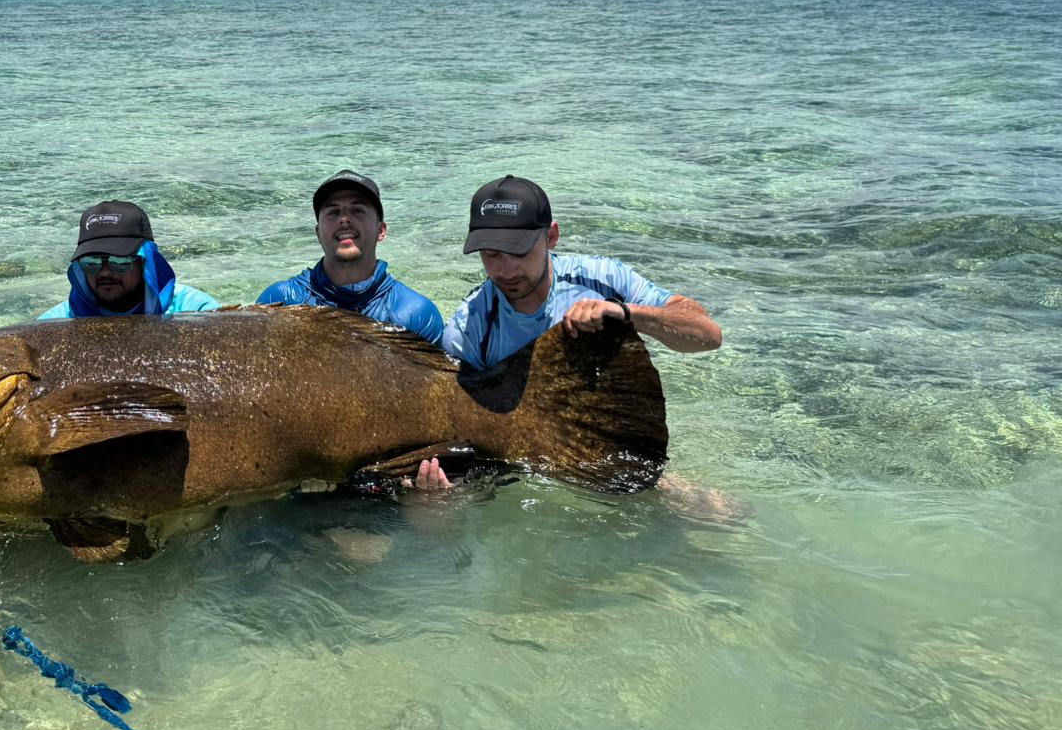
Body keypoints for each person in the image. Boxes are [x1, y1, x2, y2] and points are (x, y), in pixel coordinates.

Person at [421, 175, 722, 491]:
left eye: (519, 252)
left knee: (726, 514)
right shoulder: (469, 327)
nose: (505, 271)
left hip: (605, 448)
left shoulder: (602, 279)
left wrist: (625, 312)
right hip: (518, 458)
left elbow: (708, 336)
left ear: (551, 236)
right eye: (491, 255)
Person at [256, 170, 444, 344]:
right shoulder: (280, 302)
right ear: (318, 232)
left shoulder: (415, 314)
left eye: (357, 210)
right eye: (333, 212)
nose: (344, 219)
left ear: (381, 230)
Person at [38, 200, 220, 319]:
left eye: (120, 261)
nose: (105, 272)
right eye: (92, 262)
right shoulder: (55, 322)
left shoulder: (197, 311)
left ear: (145, 262)